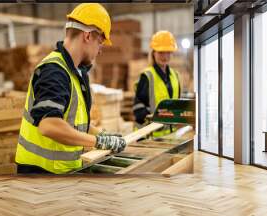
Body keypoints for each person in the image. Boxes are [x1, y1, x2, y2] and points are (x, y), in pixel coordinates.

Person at [15, 3, 126, 174]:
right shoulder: (54, 72)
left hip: (62, 171)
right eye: (100, 41)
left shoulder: (76, 73)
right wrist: (98, 141)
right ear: (88, 36)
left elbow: (73, 123)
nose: (100, 50)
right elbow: (49, 125)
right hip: (42, 174)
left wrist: (101, 134)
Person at [133, 30, 181, 137]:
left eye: (168, 52)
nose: (165, 56)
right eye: (161, 52)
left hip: (171, 135)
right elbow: (138, 109)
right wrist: (154, 117)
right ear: (153, 53)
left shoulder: (175, 75)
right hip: (150, 137)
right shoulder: (147, 76)